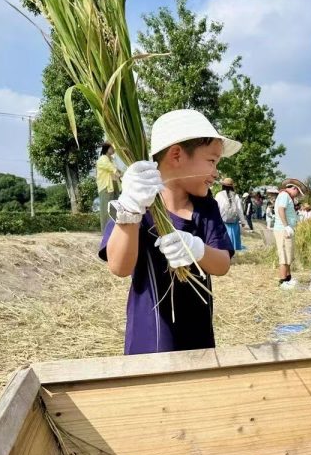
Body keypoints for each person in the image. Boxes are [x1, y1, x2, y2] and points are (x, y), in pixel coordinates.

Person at [100, 109, 238, 354]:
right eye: (211, 161)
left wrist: (196, 248)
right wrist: (131, 208)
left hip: (198, 344)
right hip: (149, 344)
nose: (216, 173)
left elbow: (222, 264)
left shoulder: (206, 208)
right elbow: (119, 268)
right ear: (177, 155)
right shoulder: (139, 206)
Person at [273, 178, 306, 289]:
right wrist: (286, 225)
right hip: (283, 229)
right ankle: (282, 281)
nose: (297, 195)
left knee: (288, 254)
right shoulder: (284, 195)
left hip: (287, 229)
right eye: (297, 192)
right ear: (294, 188)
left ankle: (288, 278)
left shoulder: (287, 197)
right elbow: (281, 210)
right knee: (284, 255)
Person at [215, 177, 247, 251]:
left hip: (223, 220)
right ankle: (234, 249)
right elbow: (239, 209)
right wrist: (243, 221)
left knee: (225, 236)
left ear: (223, 186)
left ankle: (225, 249)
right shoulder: (236, 196)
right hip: (234, 220)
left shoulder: (219, 195)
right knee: (234, 235)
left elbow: (216, 208)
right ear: (232, 186)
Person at [96, 142, 121, 232]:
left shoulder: (112, 160)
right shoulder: (102, 159)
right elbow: (111, 168)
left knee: (115, 209)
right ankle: (106, 232)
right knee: (107, 210)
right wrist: (119, 174)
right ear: (108, 148)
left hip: (114, 186)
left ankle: (114, 231)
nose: (114, 150)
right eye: (112, 148)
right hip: (106, 187)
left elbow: (117, 170)